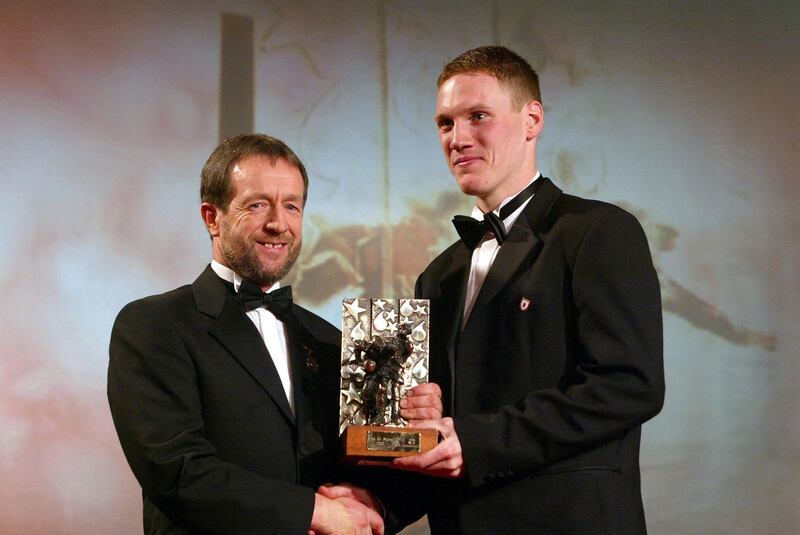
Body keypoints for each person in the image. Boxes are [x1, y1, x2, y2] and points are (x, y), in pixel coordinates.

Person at [359, 45, 665, 534]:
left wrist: (476, 442)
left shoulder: (598, 231)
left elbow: (629, 386)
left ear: (532, 119)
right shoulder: (438, 276)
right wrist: (372, 504)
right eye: (445, 123)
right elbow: (437, 435)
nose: (458, 138)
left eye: (478, 115)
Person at [108, 134, 439, 534]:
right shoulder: (155, 325)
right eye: (257, 204)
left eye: (292, 206)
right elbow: (176, 471)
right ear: (212, 218)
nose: (278, 223)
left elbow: (378, 466)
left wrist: (402, 452)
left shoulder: (329, 340)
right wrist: (313, 513)